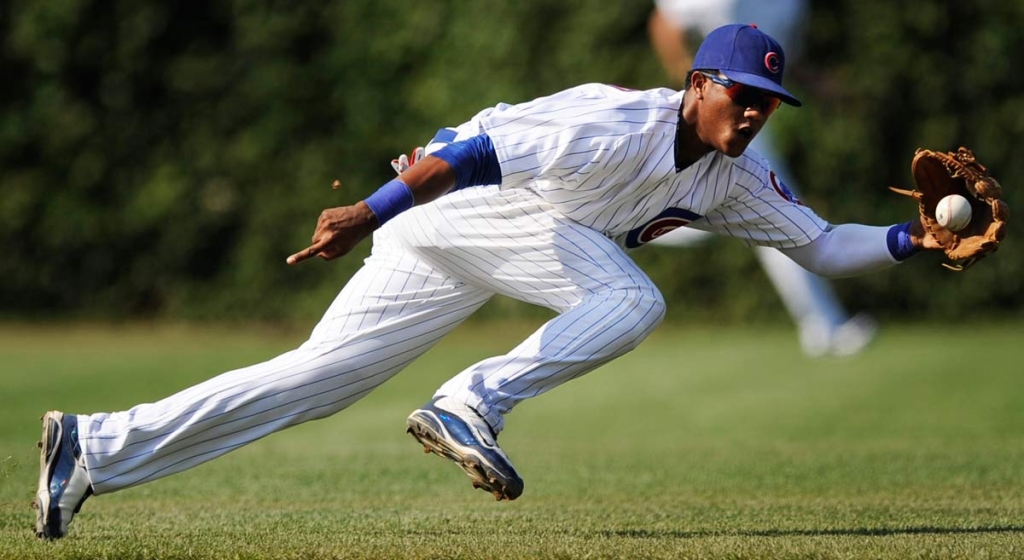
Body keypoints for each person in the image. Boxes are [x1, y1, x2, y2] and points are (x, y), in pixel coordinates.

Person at [36, 24, 943, 539]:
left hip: (481, 238)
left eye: (766, 103)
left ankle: (94, 446)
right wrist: (370, 211)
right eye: (738, 92)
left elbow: (821, 248)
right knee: (633, 298)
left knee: (314, 384)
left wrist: (915, 240)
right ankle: (472, 401)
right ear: (698, 82)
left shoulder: (732, 176)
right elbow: (473, 151)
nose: (751, 112)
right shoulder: (614, 123)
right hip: (462, 213)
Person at [648, 0, 876, 357]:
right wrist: (700, 95)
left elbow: (775, 65)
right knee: (776, 212)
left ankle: (624, 225)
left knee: (744, 211)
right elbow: (663, 24)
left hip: (751, 118)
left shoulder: (791, 5)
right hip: (719, 113)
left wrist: (819, 84)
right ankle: (824, 327)